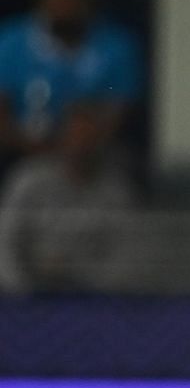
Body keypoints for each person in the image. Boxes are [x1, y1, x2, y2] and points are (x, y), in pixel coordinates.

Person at [0, 0, 142, 174]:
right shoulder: (10, 41)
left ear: (88, 3)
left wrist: (76, 149)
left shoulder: (116, 45)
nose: (64, 8)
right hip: (21, 147)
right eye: (57, 1)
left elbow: (117, 114)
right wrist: (33, 148)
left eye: (71, 1)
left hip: (91, 151)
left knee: (121, 163)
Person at [0, 105, 134, 293]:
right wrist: (21, 293)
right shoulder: (28, 181)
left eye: (89, 138)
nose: (81, 145)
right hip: (29, 296)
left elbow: (126, 254)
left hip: (94, 301)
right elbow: (5, 241)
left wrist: (94, 291)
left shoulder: (116, 191)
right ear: (62, 139)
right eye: (76, 136)